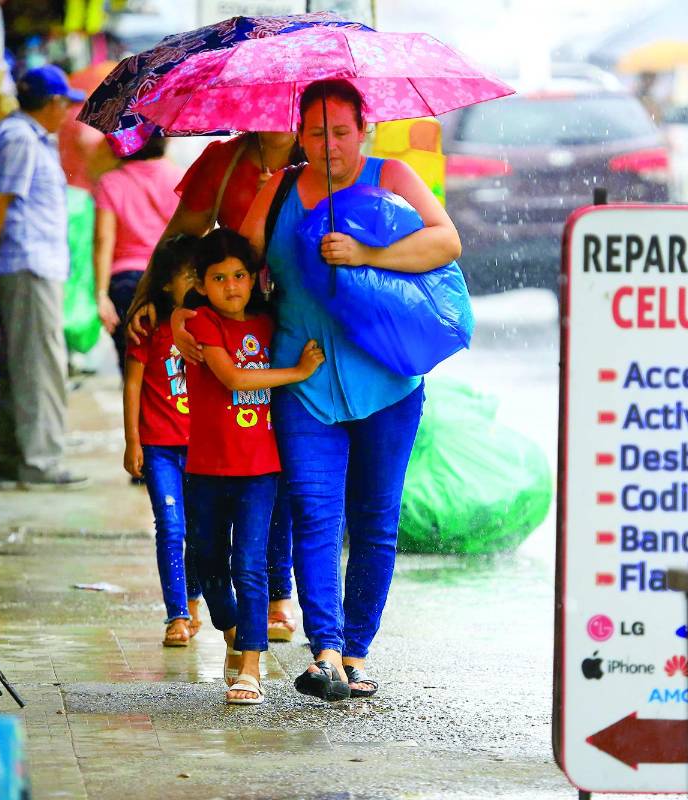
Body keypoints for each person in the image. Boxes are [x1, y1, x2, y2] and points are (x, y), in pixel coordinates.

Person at [231, 79, 463, 701]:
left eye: (340, 132)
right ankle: (325, 652)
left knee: (375, 521)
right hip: (301, 381)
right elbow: (237, 259)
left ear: (365, 129)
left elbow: (445, 241)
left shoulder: (393, 176)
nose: (328, 145)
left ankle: (357, 650)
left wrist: (365, 253)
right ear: (298, 135)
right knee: (313, 512)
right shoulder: (278, 189)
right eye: (314, 132)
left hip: (386, 382)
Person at [127, 130, 305, 642]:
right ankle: (234, 611)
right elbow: (180, 237)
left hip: (292, 327)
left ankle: (275, 598)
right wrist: (153, 301)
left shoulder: (321, 152)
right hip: (229, 331)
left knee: (281, 481)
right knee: (219, 526)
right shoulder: (224, 161)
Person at [182, 229, 324, 705]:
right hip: (204, 467)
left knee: (250, 563)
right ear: (201, 284)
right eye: (219, 278)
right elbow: (233, 377)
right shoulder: (203, 323)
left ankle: (251, 667)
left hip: (261, 469)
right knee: (207, 562)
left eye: (240, 275)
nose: (231, 286)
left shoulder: (269, 322)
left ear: (253, 279)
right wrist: (297, 373)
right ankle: (235, 630)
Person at [0, 65, 88, 490]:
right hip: (27, 264)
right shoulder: (19, 137)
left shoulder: (25, 136)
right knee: (39, 368)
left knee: (20, 367)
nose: (67, 111)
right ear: (51, 104)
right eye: (64, 103)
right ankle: (39, 463)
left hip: (26, 264)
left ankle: (12, 463)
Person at [122, 236, 202, 646]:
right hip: (159, 447)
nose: (193, 279)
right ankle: (177, 615)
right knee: (171, 527)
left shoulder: (208, 322)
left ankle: (194, 601)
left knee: (203, 529)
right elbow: (133, 385)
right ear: (166, 283)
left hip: (205, 447)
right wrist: (131, 440)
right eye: (185, 273)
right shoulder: (148, 326)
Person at [93, 134, 183, 372]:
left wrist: (101, 294)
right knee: (173, 366)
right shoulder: (178, 176)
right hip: (170, 278)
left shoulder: (110, 182)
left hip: (125, 281)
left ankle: (134, 410)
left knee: (133, 364)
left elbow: (104, 239)